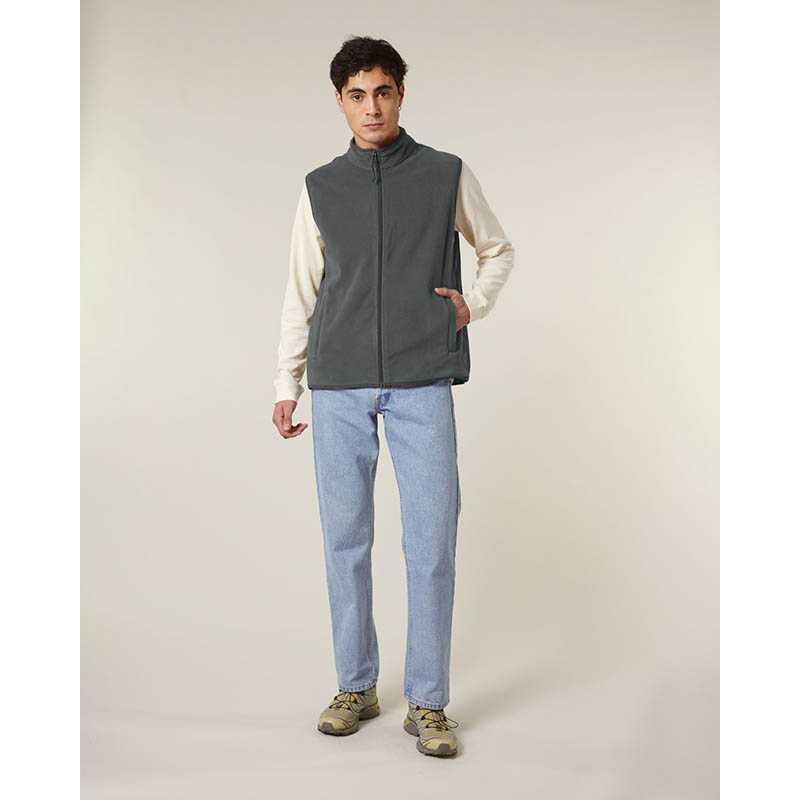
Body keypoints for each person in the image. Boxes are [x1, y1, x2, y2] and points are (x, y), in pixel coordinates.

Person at [272, 35, 515, 758]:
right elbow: (301, 289)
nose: (371, 107)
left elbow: (496, 248)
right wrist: (286, 381)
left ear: (401, 94)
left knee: (431, 543)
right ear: (340, 102)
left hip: (422, 377)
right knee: (345, 542)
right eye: (357, 95)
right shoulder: (320, 186)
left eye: (382, 91)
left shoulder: (445, 173)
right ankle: (355, 685)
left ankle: (429, 702)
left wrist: (472, 304)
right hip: (339, 381)